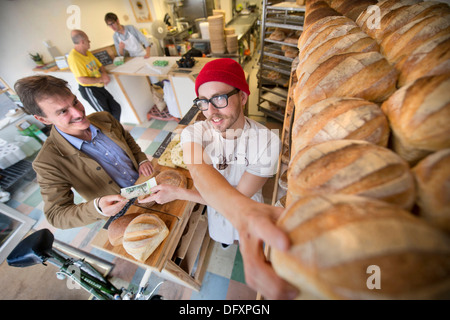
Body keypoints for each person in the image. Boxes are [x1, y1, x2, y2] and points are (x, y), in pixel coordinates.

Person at [139, 58, 298, 299]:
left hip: (244, 204)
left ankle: (232, 239)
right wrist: (243, 211)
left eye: (220, 99)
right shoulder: (194, 132)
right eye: (203, 102)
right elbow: (199, 170)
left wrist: (181, 193)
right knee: (222, 232)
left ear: (243, 97)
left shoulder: (267, 142)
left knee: (235, 231)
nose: (211, 112)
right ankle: (227, 240)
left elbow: (240, 196)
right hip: (223, 207)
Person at [14, 75, 153, 229]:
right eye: (63, 111)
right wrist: (97, 207)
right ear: (43, 119)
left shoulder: (104, 118)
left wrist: (141, 159)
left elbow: (127, 139)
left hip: (147, 185)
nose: (79, 113)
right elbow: (56, 215)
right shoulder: (47, 162)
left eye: (75, 102)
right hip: (127, 211)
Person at [67, 29, 122, 121]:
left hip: (99, 87)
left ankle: (117, 131)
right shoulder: (74, 58)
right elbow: (82, 80)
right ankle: (114, 134)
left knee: (116, 108)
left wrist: (104, 75)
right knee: (106, 116)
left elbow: (100, 65)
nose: (89, 42)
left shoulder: (86, 52)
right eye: (88, 40)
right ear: (82, 42)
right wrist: (101, 79)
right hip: (89, 89)